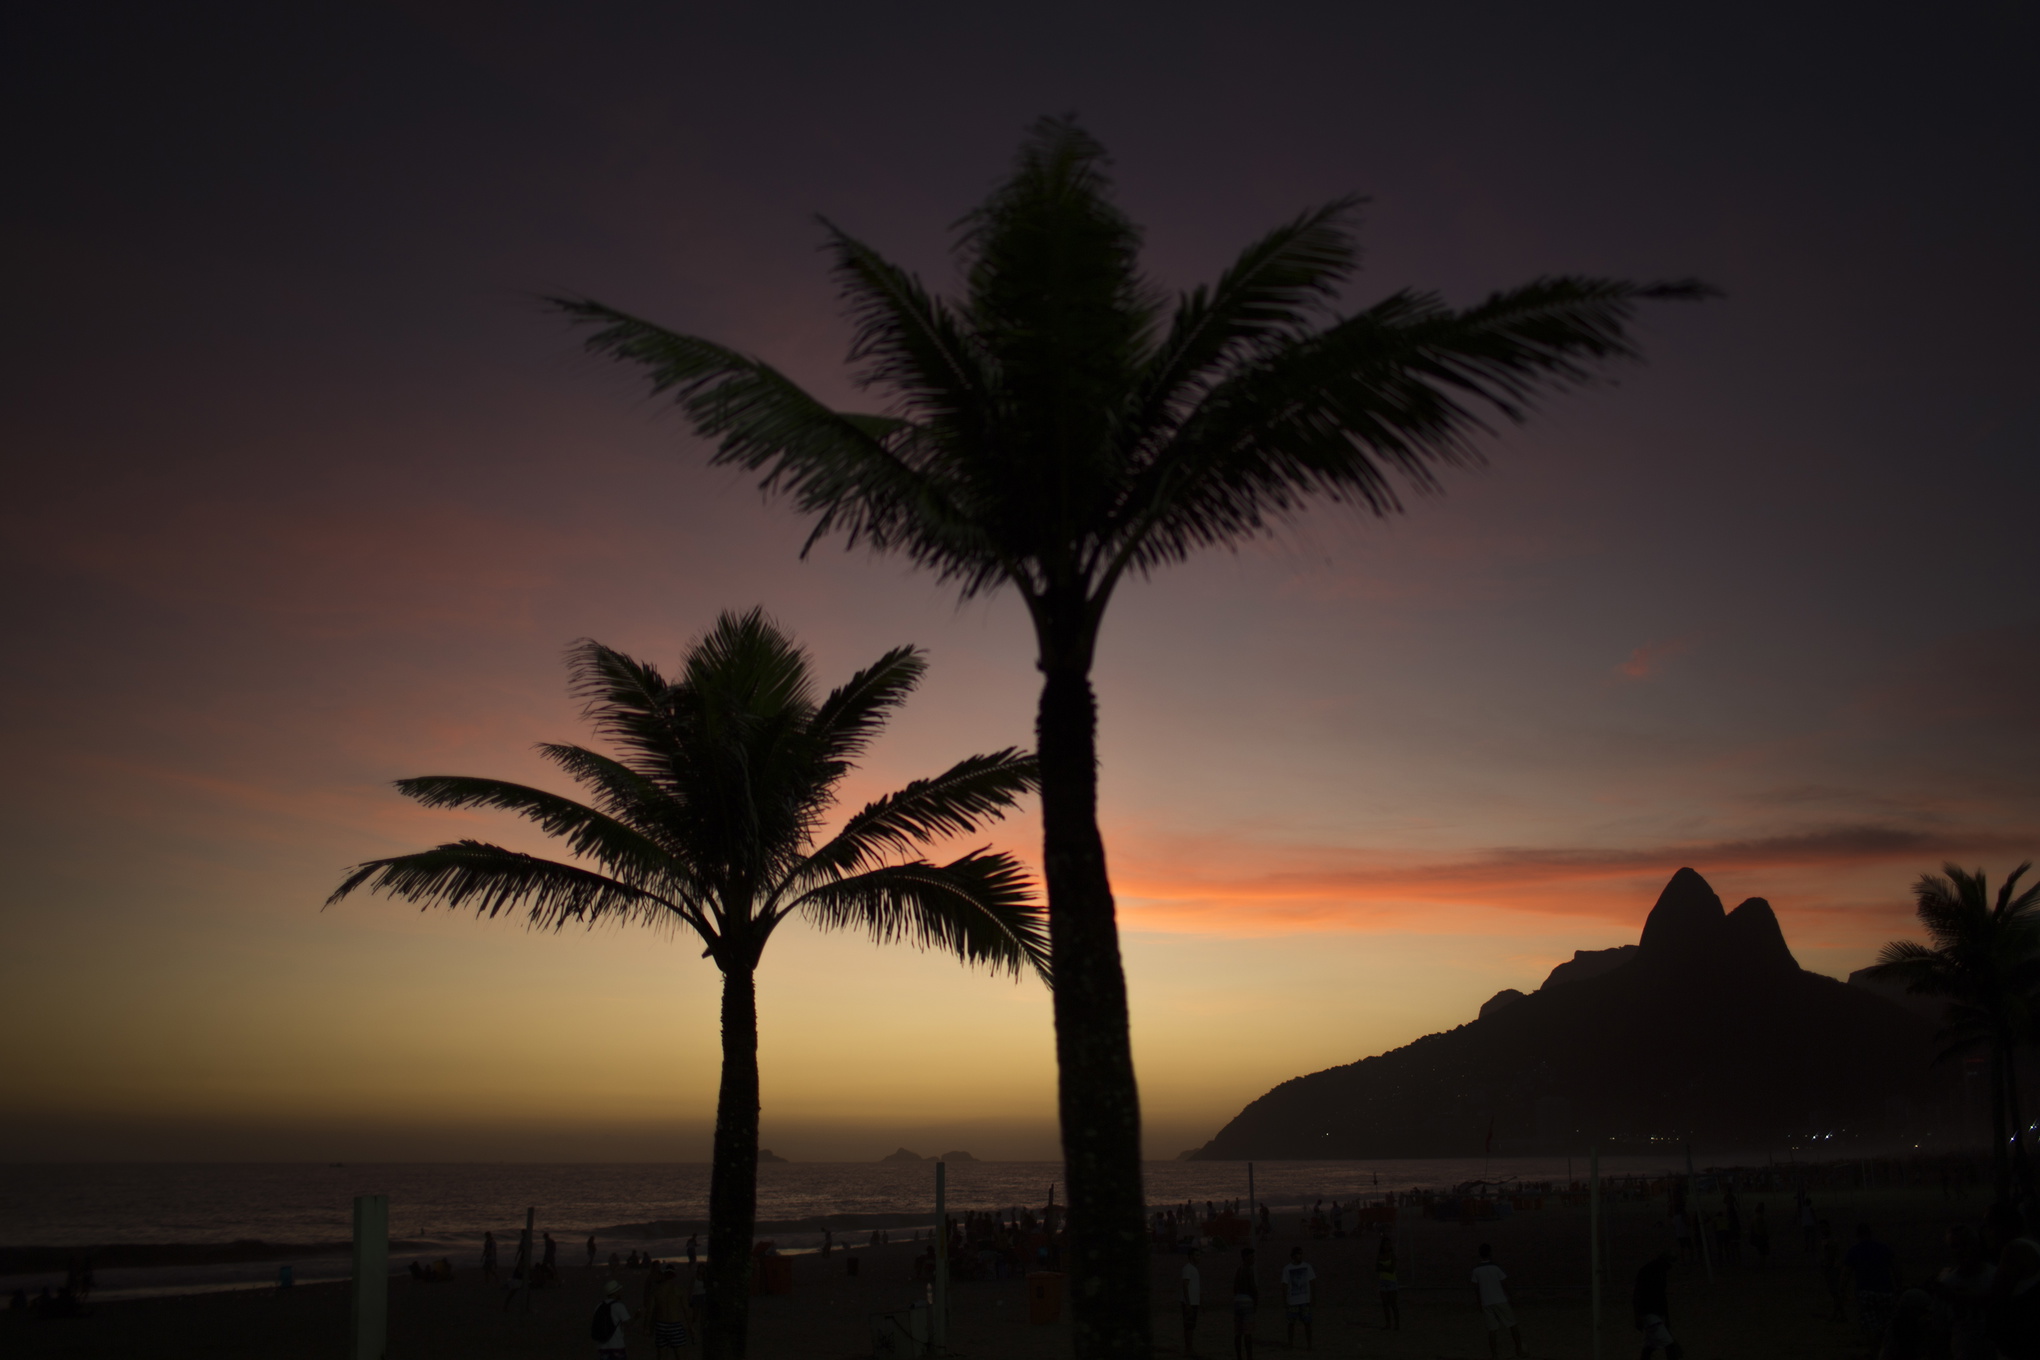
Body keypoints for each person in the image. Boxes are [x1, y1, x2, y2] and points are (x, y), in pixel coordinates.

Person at [1845, 1223, 1899, 1345]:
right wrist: (1899, 1286)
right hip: (1886, 1291)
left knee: (1870, 1326)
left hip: (1866, 1292)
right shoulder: (1883, 1248)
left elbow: (1846, 1273)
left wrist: (1841, 1291)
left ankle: (1876, 1350)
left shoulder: (1854, 1250)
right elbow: (1896, 1269)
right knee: (1886, 1324)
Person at [1471, 1243, 1524, 1359]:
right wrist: (1511, 1297)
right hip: (1500, 1300)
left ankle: (1494, 1355)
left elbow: (1476, 1289)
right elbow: (1505, 1284)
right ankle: (1519, 1350)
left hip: (1487, 1302)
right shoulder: (1496, 1268)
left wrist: (1479, 1303)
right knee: (1512, 1325)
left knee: (1492, 1329)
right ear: (1490, 1253)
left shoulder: (1476, 1270)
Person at [1634, 1250, 1681, 1360]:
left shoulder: (1659, 1271)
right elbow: (1638, 1294)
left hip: (1655, 1312)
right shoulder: (1650, 1272)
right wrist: (1637, 1316)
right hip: (1648, 1312)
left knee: (1649, 1346)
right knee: (1669, 1344)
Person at [647, 1263, 692, 1360]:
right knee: (680, 1356)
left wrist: (647, 1326)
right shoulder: (679, 1289)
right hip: (674, 1324)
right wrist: (691, 1328)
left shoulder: (656, 1290)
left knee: (662, 1356)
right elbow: (686, 1310)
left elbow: (650, 1311)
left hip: (661, 1325)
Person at [1280, 1245, 1316, 1350]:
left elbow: (1312, 1282)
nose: (1300, 1256)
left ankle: (1309, 1344)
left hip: (1304, 1299)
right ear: (1293, 1256)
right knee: (1291, 1323)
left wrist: (1313, 1297)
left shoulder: (1307, 1266)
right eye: (1298, 1254)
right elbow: (1284, 1285)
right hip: (1293, 1300)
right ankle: (1290, 1343)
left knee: (1307, 1323)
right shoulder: (1287, 1269)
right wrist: (1285, 1299)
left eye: (1301, 1254)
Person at [593, 1278, 631, 1360]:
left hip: (602, 1345)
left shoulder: (599, 1306)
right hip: (617, 1345)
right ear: (615, 1292)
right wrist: (637, 1316)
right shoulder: (619, 1306)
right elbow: (628, 1324)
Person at [1232, 1246, 1259, 1360]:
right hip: (1247, 1300)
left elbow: (1234, 1286)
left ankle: (1239, 1356)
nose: (1254, 1259)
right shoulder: (1248, 1269)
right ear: (1246, 1257)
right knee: (1248, 1332)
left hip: (1238, 1299)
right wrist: (1255, 1301)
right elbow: (1252, 1287)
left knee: (1238, 1331)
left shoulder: (1239, 1269)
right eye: (1252, 1256)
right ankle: (1249, 1357)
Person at [1375, 1235, 1401, 1331]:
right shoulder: (1380, 1255)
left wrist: (1383, 1267)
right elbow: (1377, 1268)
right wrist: (1385, 1268)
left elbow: (1391, 1269)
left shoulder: (1392, 1255)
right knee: (1385, 1304)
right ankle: (1388, 1324)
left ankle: (1396, 1324)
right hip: (1383, 1281)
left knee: (1393, 1303)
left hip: (1391, 1281)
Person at [1181, 1245, 1203, 1356]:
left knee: (1190, 1326)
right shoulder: (1188, 1269)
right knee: (1189, 1326)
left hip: (1192, 1302)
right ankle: (1189, 1349)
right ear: (1191, 1256)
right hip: (1190, 1302)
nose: (1199, 1257)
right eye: (1197, 1255)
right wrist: (1188, 1302)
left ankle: (1189, 1348)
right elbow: (1185, 1285)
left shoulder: (1192, 1269)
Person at [1748, 1202, 1769, 1270]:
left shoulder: (1755, 1217)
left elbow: (1752, 1227)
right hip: (1761, 1235)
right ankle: (1762, 1265)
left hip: (1758, 1235)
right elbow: (1764, 1227)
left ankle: (1761, 1265)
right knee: (1762, 1253)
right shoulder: (1761, 1218)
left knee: (1760, 1252)